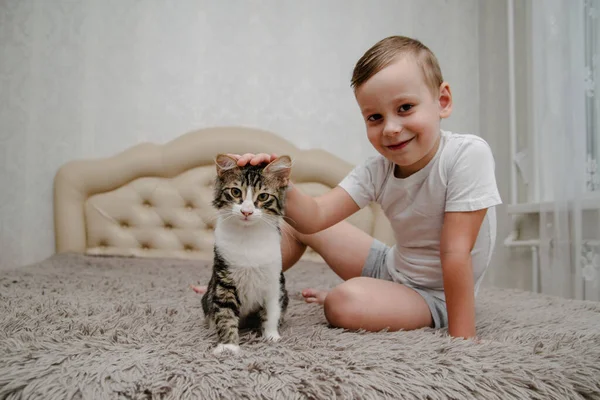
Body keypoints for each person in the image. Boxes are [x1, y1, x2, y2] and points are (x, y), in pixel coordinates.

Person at [194, 35, 502, 339]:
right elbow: (314, 216)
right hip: (392, 267)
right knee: (300, 226)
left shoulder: (467, 155)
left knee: (342, 303)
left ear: (442, 101)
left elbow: (456, 252)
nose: (391, 128)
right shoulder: (377, 168)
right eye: (375, 117)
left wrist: (464, 343)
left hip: (437, 295)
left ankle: (378, 303)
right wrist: (273, 182)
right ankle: (237, 281)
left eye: (405, 107)